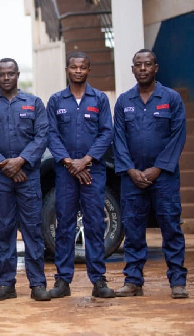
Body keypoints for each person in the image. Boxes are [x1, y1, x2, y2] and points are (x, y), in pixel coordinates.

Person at [113, 49, 188, 299]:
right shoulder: (124, 101)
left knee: (170, 227)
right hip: (131, 178)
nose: (143, 68)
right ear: (132, 69)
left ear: (156, 68)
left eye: (147, 64)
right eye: (138, 65)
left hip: (164, 177)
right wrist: (131, 170)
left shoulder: (172, 98)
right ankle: (133, 281)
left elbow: (178, 137)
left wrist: (157, 169)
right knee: (133, 229)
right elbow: (119, 140)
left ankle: (177, 281)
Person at [0, 58, 51, 302]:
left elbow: (42, 136)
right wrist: (4, 165)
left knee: (33, 231)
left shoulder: (34, 103)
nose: (6, 78)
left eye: (10, 74)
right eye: (2, 74)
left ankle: (37, 284)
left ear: (17, 75)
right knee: (4, 231)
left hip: (28, 176)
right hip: (0, 179)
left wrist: (21, 161)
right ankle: (6, 283)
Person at [46, 52, 115, 299]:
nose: (78, 71)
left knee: (95, 224)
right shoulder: (56, 100)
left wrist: (85, 161)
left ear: (88, 70)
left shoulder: (100, 99)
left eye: (82, 67)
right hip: (65, 173)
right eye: (73, 67)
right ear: (67, 69)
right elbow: (51, 134)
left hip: (92, 171)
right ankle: (63, 281)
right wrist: (69, 162)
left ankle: (98, 281)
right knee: (64, 225)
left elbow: (106, 133)